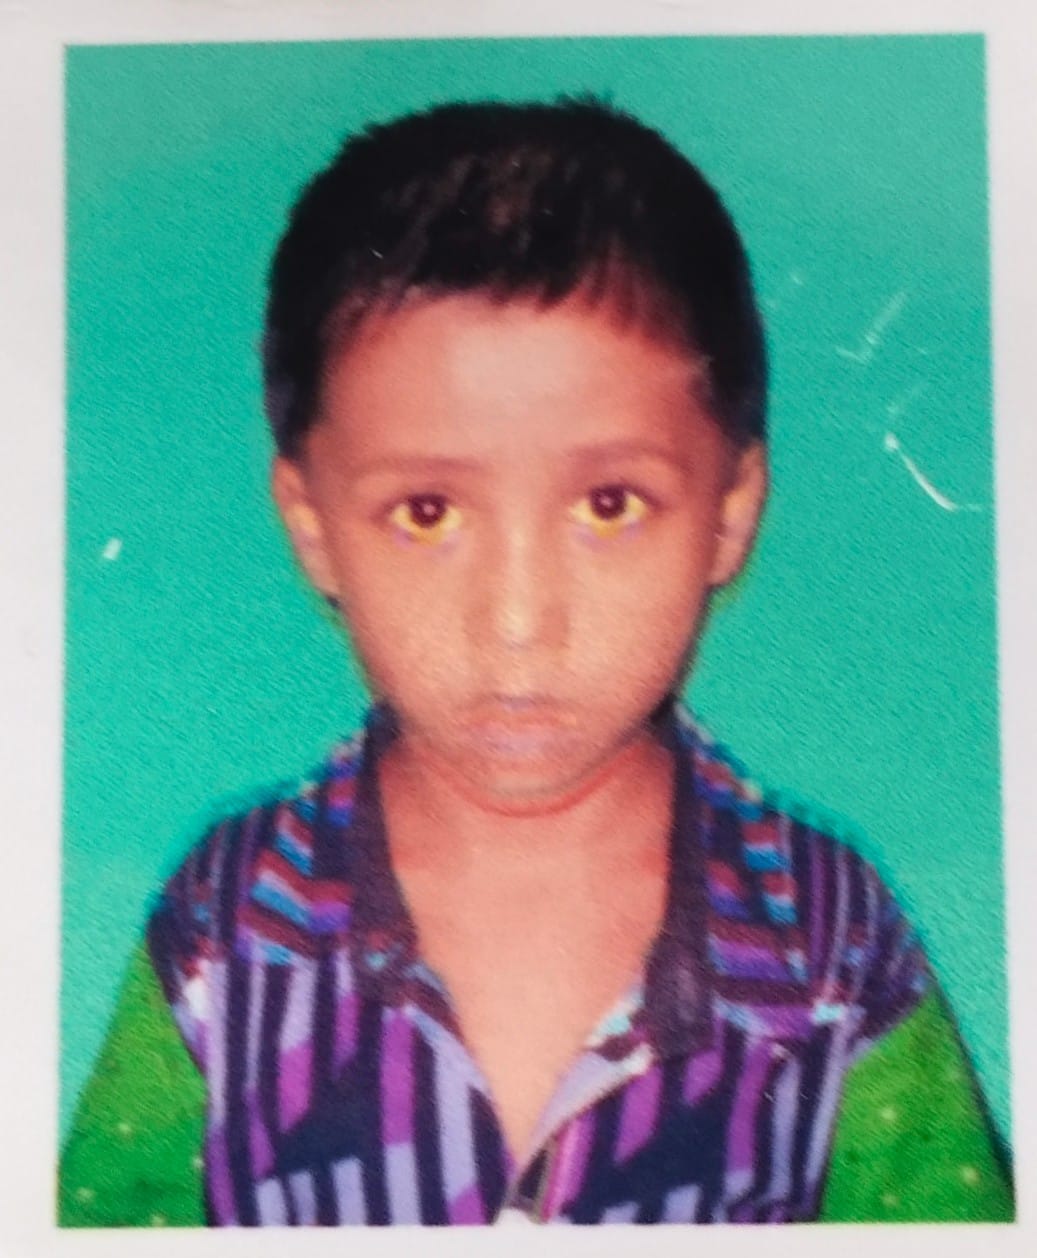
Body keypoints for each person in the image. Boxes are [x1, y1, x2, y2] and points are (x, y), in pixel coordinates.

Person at [59, 97, 1012, 1226]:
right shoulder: (226, 923)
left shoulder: (830, 940)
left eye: (609, 504)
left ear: (729, 510)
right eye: (425, 511)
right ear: (312, 526)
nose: (517, 620)